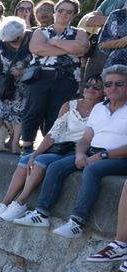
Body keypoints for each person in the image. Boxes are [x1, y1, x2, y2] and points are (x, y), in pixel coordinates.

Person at [14, 64, 127, 238]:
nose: (113, 88)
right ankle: (41, 213)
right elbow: (86, 138)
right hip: (92, 152)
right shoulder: (99, 108)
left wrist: (103, 155)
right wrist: (81, 153)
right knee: (56, 167)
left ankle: (76, 222)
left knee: (92, 170)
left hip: (119, 157)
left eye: (119, 84)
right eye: (108, 84)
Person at [0, 78, 104, 221]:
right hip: (60, 147)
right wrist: (35, 152)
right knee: (26, 159)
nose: (91, 88)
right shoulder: (69, 105)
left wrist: (38, 156)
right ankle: (4, 203)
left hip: (78, 150)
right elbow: (53, 133)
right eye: (88, 85)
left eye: (97, 87)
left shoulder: (102, 110)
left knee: (40, 161)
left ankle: (20, 203)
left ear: (103, 91)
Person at [21, 0, 91, 152]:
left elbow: (81, 48)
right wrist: (67, 48)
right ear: (55, 11)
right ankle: (27, 147)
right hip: (39, 76)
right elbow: (37, 48)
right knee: (34, 110)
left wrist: (53, 42)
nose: (64, 14)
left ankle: (49, 147)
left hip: (66, 79)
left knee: (57, 114)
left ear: (74, 15)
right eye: (61, 10)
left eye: (69, 12)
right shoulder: (40, 31)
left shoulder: (79, 32)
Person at [0, 16, 32, 153]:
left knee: (19, 114)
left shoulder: (31, 38)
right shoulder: (2, 40)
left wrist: (23, 70)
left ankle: (15, 144)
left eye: (16, 39)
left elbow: (39, 62)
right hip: (6, 83)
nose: (13, 42)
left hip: (24, 84)